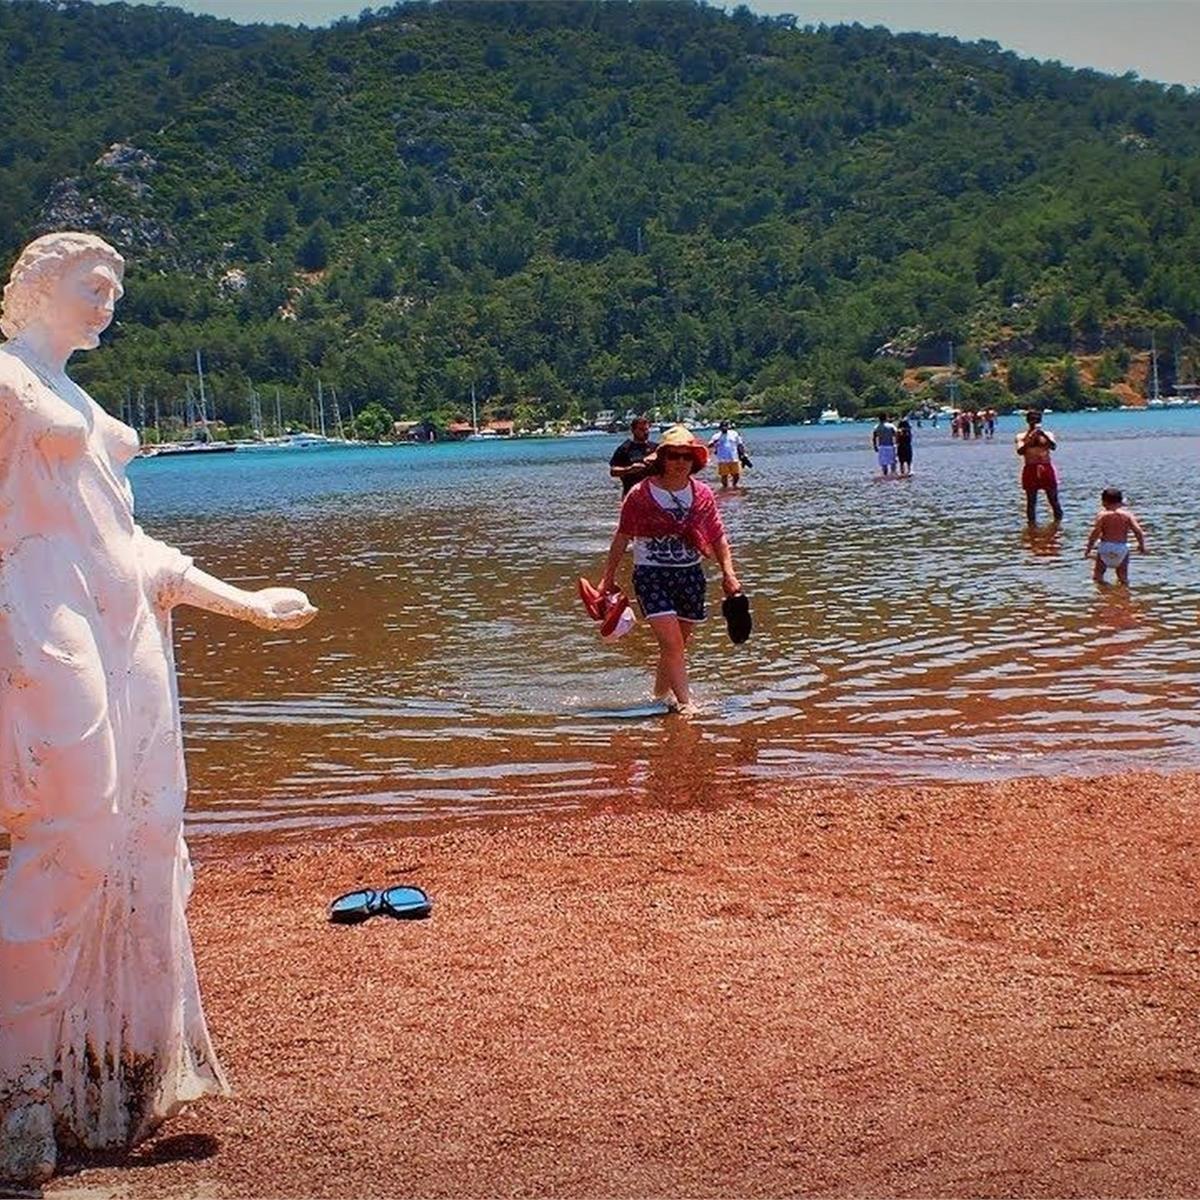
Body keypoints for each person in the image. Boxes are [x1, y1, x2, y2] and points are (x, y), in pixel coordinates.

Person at [0, 233, 317, 1189]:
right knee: (74, 833)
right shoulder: (4, 384)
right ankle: (16, 1093)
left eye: (116, 288)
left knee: (140, 834)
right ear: (40, 285)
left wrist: (244, 603)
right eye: (92, 284)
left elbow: (133, 547)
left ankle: (90, 1075)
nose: (108, 300)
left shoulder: (84, 406)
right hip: (40, 605)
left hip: (119, 613)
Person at [597, 425, 740, 711]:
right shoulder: (639, 494)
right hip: (652, 575)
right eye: (673, 456)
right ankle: (686, 705)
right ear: (662, 458)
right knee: (673, 645)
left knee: (675, 648)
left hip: (690, 575)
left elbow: (717, 536)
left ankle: (660, 699)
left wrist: (729, 574)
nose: (680, 462)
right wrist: (607, 578)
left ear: (695, 461)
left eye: (686, 457)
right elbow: (622, 537)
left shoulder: (702, 495)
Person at [1085, 487, 1146, 584]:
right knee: (1122, 576)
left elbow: (1095, 533)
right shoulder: (1127, 515)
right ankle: (1123, 594)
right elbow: (1138, 531)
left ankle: (1103, 592)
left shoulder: (1102, 515)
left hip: (1105, 547)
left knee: (1098, 575)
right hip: (1121, 548)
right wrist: (1142, 546)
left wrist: (1088, 549)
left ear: (1103, 502)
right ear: (1121, 501)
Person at [1015, 408, 1063, 523]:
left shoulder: (1048, 434)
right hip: (1030, 468)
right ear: (1027, 421)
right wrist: (1030, 439)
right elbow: (1020, 452)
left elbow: (1053, 447)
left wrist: (1043, 436)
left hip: (1045, 467)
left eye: (1036, 420)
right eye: (1032, 420)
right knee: (1031, 502)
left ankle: (1058, 525)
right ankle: (1032, 526)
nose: (1034, 422)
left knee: (1053, 500)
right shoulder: (1021, 436)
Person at [609, 415, 658, 496]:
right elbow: (613, 471)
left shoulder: (655, 448)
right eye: (641, 430)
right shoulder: (625, 448)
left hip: (653, 493)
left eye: (647, 429)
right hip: (631, 493)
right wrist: (629, 469)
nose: (645, 432)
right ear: (633, 430)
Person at [708, 420, 746, 489]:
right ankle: (725, 487)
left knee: (736, 475)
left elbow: (740, 444)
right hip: (722, 459)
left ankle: (734, 486)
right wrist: (714, 442)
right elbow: (709, 445)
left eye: (726, 426)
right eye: (723, 427)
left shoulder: (734, 434)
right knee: (724, 475)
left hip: (734, 458)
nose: (724, 428)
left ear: (728, 427)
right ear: (720, 428)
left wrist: (743, 454)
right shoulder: (716, 436)